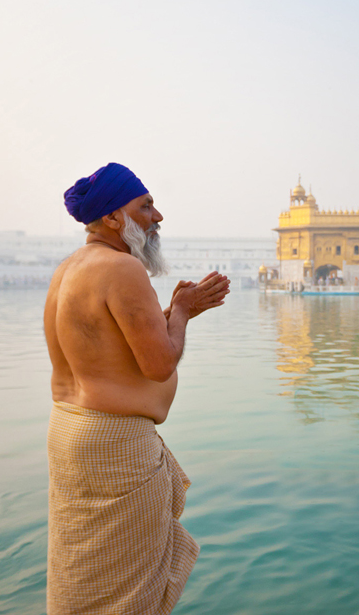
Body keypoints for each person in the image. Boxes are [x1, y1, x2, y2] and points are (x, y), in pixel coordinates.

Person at [44, 163, 229, 614]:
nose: (157, 216)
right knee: (127, 591)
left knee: (85, 572)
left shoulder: (69, 269)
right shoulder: (123, 268)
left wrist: (172, 315)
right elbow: (159, 364)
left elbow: (111, 353)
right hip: (114, 445)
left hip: (70, 433)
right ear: (112, 217)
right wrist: (181, 313)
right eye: (145, 206)